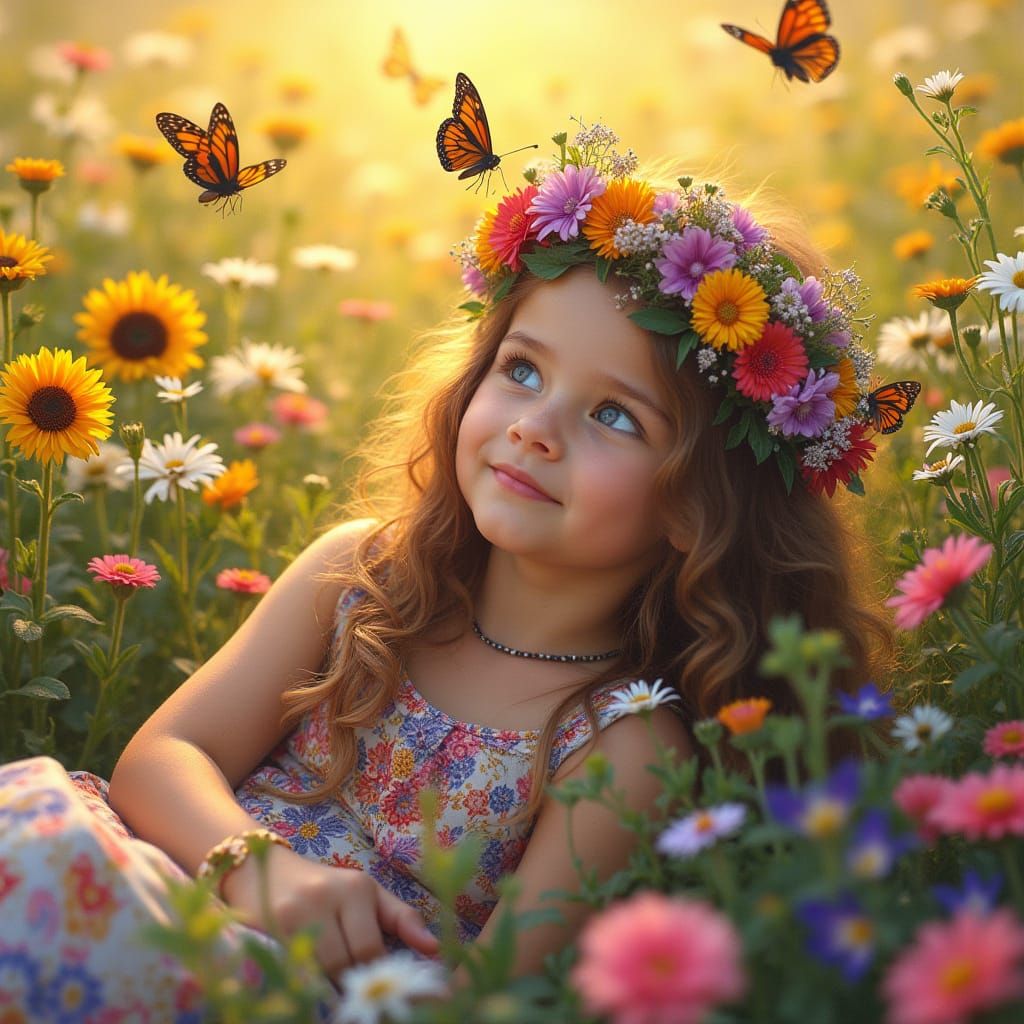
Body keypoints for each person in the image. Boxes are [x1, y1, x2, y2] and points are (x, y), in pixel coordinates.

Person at [0, 122, 895, 1018]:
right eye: (522, 370)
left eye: (616, 416)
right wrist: (259, 871)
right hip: (163, 881)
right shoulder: (361, 578)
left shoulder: (621, 738)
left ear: (702, 504)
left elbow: (484, 997)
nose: (534, 428)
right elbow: (159, 760)